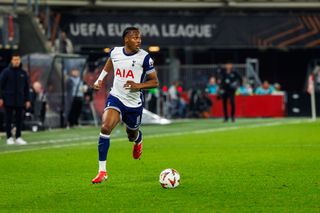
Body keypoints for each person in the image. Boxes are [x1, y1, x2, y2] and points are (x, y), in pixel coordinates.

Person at [91, 27, 159, 184]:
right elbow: (110, 62)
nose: (139, 40)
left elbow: (155, 82)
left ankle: (138, 139)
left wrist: (138, 85)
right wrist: (100, 79)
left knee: (131, 134)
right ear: (126, 39)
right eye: (135, 37)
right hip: (116, 97)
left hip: (134, 103)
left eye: (139, 37)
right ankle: (102, 171)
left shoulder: (145, 57)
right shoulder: (115, 52)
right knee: (105, 128)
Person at [0, 53, 31, 145]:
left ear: (20, 60)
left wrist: (27, 99)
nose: (16, 61)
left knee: (19, 119)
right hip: (8, 99)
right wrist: (1, 98)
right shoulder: (6, 72)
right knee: (8, 119)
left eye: (18, 59)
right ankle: (9, 137)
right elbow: (0, 86)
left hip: (20, 100)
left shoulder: (23, 73)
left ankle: (18, 137)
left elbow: (26, 87)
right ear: (11, 61)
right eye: (14, 60)